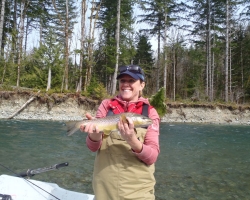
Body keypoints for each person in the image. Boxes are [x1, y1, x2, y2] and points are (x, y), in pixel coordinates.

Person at [80, 65, 160, 200]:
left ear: (142, 85)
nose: (126, 84)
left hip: (139, 193)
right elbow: (93, 148)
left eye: (131, 80)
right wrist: (94, 133)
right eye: (123, 81)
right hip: (104, 191)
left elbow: (152, 157)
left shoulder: (150, 113)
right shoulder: (107, 106)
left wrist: (132, 140)